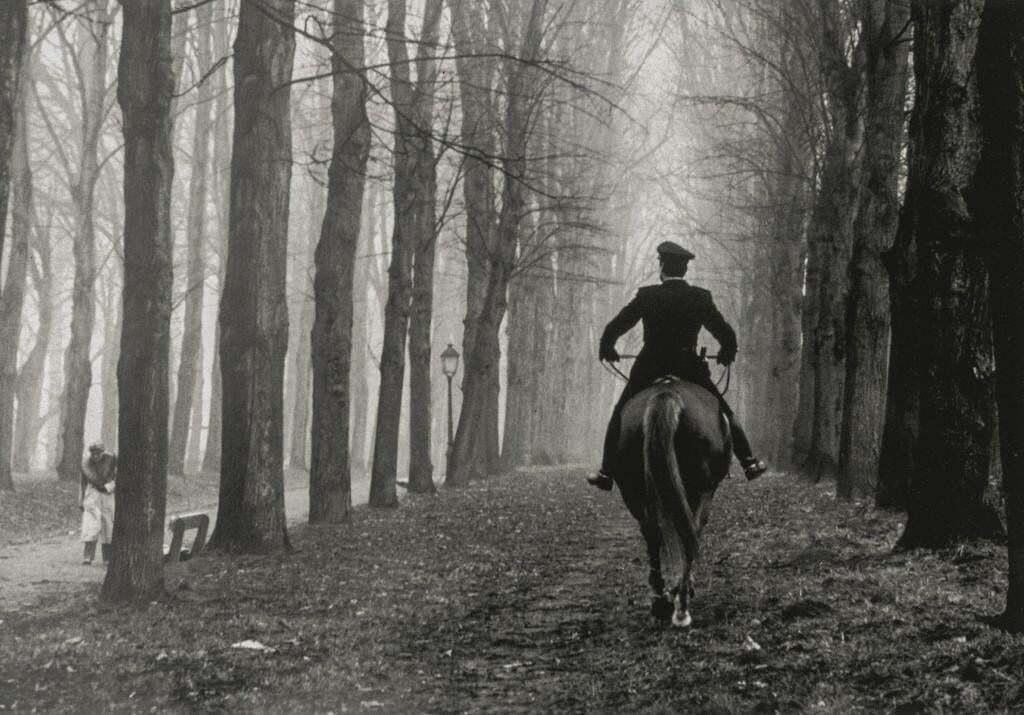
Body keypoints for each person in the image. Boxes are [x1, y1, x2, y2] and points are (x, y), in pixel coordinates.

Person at [588, 241, 767, 491]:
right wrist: (726, 353)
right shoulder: (700, 297)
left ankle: (606, 472)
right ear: (684, 270)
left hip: (649, 368)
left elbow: (615, 327)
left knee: (619, 414)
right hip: (689, 368)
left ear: (662, 266)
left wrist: (608, 348)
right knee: (724, 412)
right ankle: (748, 462)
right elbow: (726, 334)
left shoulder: (647, 296)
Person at [80, 442, 116, 565]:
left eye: (98, 453)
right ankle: (88, 556)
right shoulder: (86, 465)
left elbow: (117, 479)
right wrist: (80, 500)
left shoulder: (111, 462)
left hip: (107, 497)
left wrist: (107, 487)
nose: (96, 456)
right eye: (93, 453)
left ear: (102, 453)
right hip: (92, 496)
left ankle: (107, 558)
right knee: (90, 526)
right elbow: (83, 484)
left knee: (108, 527)